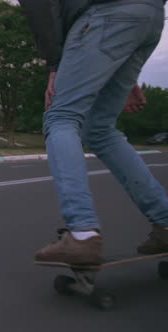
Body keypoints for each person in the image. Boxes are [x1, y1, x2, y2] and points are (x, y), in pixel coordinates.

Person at [19, 0, 168, 264]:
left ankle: (82, 234)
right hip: (151, 16)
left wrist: (54, 65)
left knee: (60, 116)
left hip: (106, 15)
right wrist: (126, 77)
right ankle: (165, 222)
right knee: (98, 128)